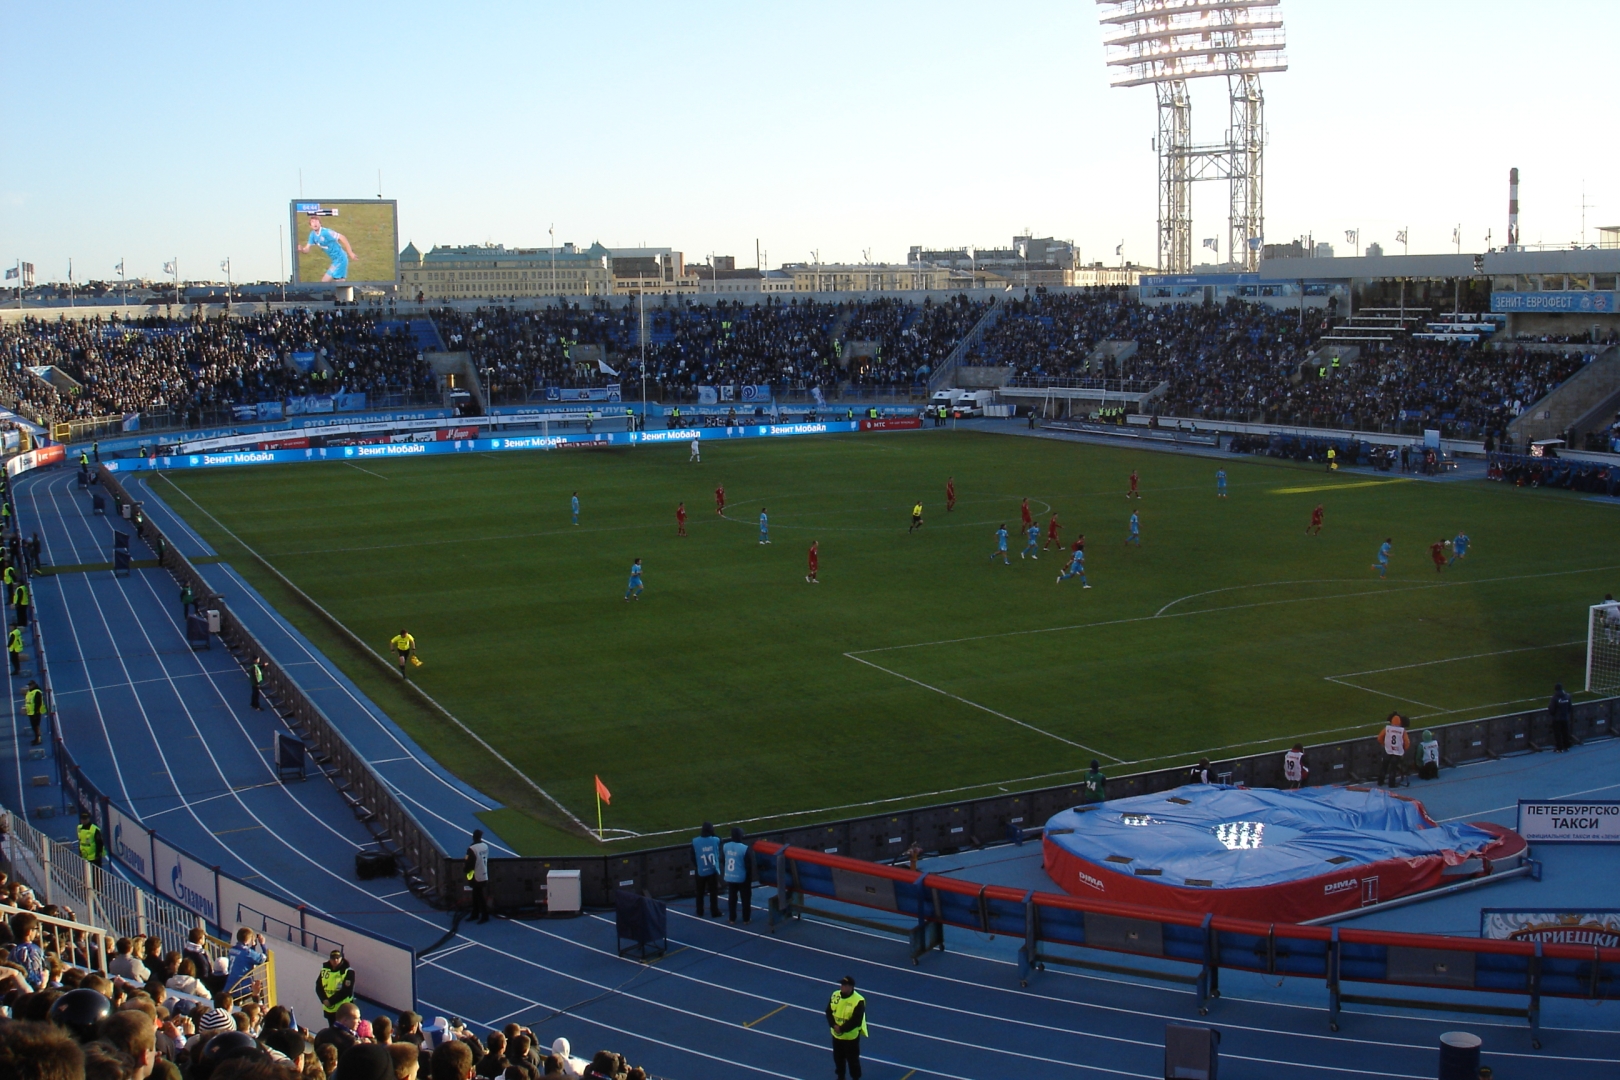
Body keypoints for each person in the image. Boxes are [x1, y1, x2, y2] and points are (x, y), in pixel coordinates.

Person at [826, 975, 867, 1080]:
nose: (842, 987)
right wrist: (833, 1025)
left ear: (851, 987)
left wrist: (842, 1029)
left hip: (850, 1037)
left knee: (852, 1060)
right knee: (838, 1058)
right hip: (837, 1035)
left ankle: (855, 1078)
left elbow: (856, 1020)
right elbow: (829, 1011)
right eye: (842, 985)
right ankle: (841, 1076)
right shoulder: (835, 995)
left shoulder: (858, 1000)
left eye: (845, 985)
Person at [298, 213, 358, 282]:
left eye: (316, 221)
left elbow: (342, 237)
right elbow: (307, 249)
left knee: (339, 284)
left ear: (320, 223)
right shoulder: (312, 235)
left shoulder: (326, 232)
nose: (315, 223)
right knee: (324, 282)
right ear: (310, 226)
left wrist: (350, 253)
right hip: (335, 261)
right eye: (312, 222)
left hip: (341, 259)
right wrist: (302, 249)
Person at [721, 826, 753, 924]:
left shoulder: (725, 846)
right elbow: (749, 865)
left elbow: (722, 859)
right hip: (741, 877)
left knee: (732, 898)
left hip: (730, 876)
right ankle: (746, 919)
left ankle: (732, 918)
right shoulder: (744, 848)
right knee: (745, 898)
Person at [224, 927, 267, 998]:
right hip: (242, 987)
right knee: (258, 988)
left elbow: (246, 958)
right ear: (248, 940)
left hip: (230, 984)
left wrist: (253, 946)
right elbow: (263, 958)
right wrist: (263, 944)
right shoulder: (247, 952)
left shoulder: (232, 950)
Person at [317, 951, 356, 1026]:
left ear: (341, 958)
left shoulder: (348, 972)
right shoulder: (325, 970)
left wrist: (331, 1001)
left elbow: (346, 991)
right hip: (329, 1010)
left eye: (337, 958)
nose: (335, 960)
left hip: (344, 1010)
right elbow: (318, 986)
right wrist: (324, 999)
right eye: (333, 958)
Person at [691, 822, 722, 918]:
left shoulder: (695, 841)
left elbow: (692, 856)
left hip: (700, 870)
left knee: (700, 892)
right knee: (713, 892)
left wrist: (697, 865)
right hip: (712, 870)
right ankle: (715, 911)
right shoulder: (715, 840)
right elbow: (720, 840)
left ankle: (700, 911)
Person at [465, 830, 490, 924]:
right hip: (484, 873)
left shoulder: (471, 849)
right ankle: (475, 914)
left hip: (476, 875)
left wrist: (466, 871)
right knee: (476, 894)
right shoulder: (485, 846)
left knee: (479, 895)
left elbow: (469, 863)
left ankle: (484, 915)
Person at [1379, 712, 1409, 786]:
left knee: (1384, 767)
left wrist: (1384, 744)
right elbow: (1407, 742)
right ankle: (1391, 784)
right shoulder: (1402, 731)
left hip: (1388, 750)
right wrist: (1403, 750)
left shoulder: (1387, 728)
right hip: (1397, 752)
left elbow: (1379, 737)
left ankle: (1380, 782)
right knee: (1393, 768)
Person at [1549, 682, 1574, 752]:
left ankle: (1559, 748)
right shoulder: (1567, 696)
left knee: (1557, 733)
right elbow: (1570, 707)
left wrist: (1553, 714)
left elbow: (1552, 709)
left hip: (1557, 719)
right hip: (1565, 717)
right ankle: (1566, 746)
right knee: (1565, 732)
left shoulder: (1554, 698)